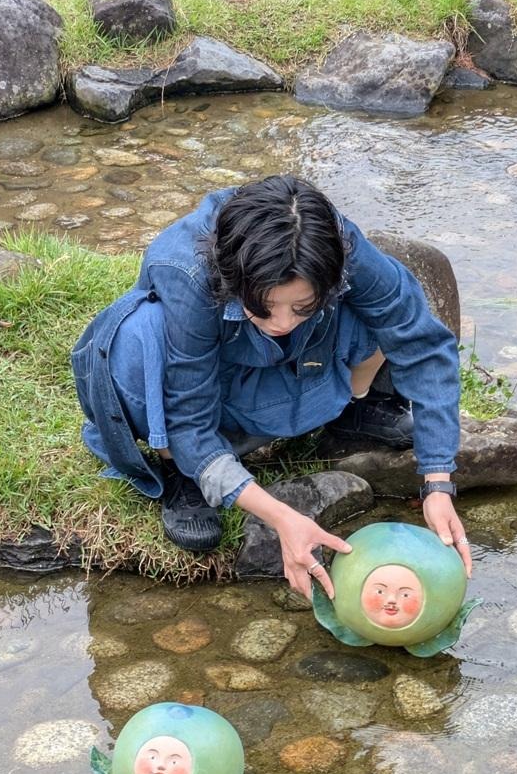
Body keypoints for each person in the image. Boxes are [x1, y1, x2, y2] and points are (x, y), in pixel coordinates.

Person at [71, 174, 471, 600]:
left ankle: (351, 409)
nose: (282, 322)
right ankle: (180, 470)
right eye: (264, 306)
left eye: (302, 306)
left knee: (389, 291)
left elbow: (422, 344)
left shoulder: (340, 248)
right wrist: (282, 518)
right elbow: (188, 418)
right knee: (143, 334)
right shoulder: (186, 271)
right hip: (207, 376)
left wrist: (437, 482)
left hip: (283, 362)